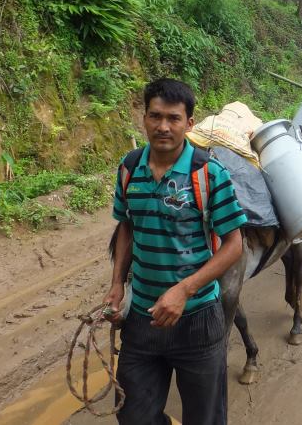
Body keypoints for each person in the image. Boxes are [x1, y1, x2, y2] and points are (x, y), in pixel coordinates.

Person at [104, 78, 248, 425]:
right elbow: (126, 225)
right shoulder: (129, 168)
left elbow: (234, 245)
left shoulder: (208, 174)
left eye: (173, 118)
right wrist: (117, 284)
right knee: (133, 416)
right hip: (143, 318)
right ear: (144, 118)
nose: (163, 126)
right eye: (155, 116)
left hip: (197, 321)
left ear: (189, 124)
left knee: (206, 418)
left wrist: (185, 289)